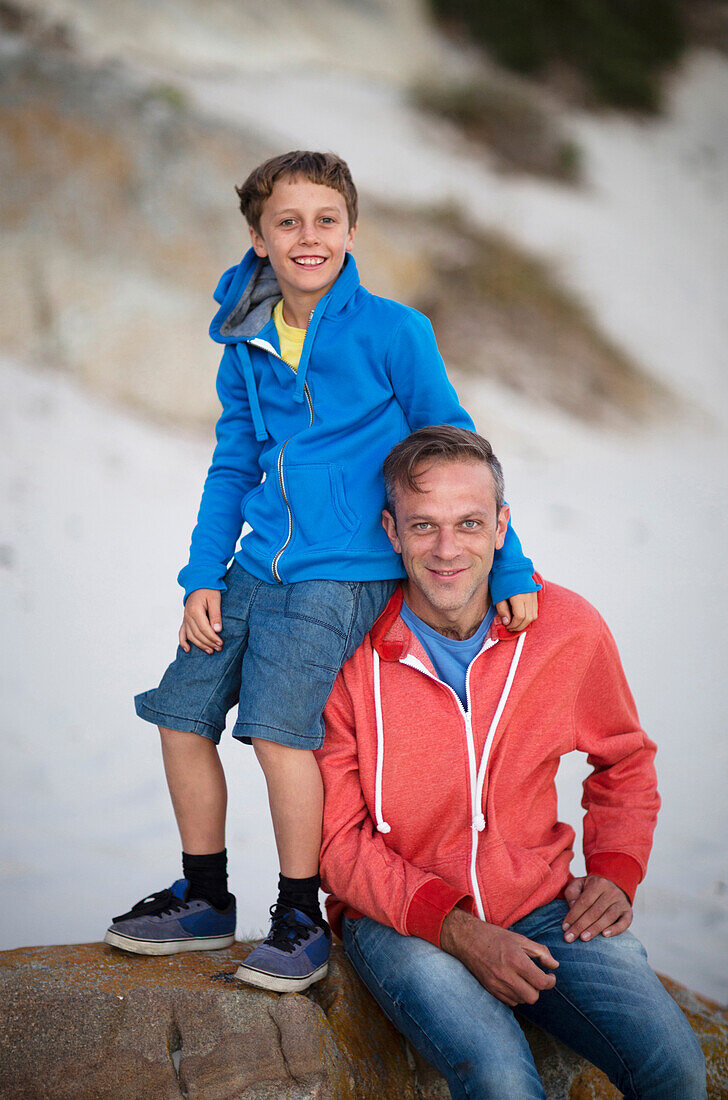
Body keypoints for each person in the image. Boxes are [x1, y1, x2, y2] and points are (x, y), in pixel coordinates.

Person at [103, 152, 540, 992]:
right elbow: (232, 463)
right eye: (288, 222)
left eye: (325, 220)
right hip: (254, 565)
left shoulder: (393, 331)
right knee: (180, 710)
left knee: (277, 731)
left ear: (350, 228)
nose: (310, 237)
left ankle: (299, 912)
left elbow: (456, 447)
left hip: (343, 572)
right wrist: (201, 575)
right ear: (259, 238)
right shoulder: (244, 340)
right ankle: (203, 897)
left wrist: (508, 564)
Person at [316, 425, 707, 1097]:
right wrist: (458, 930)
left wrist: (614, 870)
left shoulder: (564, 628)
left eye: (468, 523)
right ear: (390, 529)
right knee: (501, 1080)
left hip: (541, 904)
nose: (446, 550)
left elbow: (624, 761)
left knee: (674, 1069)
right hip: (399, 921)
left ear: (501, 526)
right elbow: (334, 843)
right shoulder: (346, 653)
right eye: (422, 526)